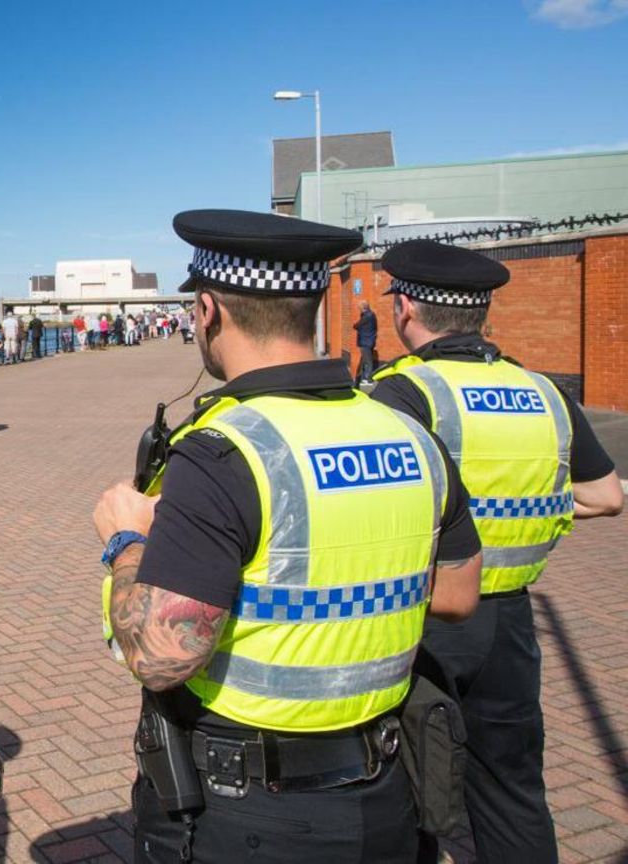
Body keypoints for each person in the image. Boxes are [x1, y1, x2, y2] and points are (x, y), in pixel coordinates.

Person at [96, 210, 483, 863]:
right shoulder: (410, 435)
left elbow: (161, 655)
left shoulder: (224, 452)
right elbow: (458, 592)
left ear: (208, 310)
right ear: (311, 308)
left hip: (253, 810)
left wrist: (124, 542)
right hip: (388, 792)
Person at [369, 239, 624, 864]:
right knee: (512, 787)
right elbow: (607, 496)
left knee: (410, 787)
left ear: (405, 308)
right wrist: (534, 515)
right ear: (480, 314)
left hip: (422, 619)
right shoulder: (542, 390)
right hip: (508, 623)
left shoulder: (400, 393)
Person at [354, 301, 379, 385]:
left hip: (366, 341)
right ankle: (365, 377)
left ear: (363, 308)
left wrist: (355, 325)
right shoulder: (369, 315)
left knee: (368, 360)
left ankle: (368, 379)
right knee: (365, 360)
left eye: (360, 308)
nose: (359, 310)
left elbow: (357, 325)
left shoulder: (368, 316)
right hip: (368, 340)